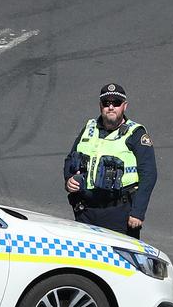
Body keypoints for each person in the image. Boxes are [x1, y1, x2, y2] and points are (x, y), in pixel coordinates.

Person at [63, 83, 157, 238]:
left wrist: (138, 212)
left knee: (119, 260)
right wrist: (69, 180)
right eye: (106, 103)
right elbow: (70, 159)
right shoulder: (89, 128)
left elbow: (149, 174)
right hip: (86, 211)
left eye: (116, 103)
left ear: (124, 106)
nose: (111, 107)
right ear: (101, 106)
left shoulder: (136, 133)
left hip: (119, 213)